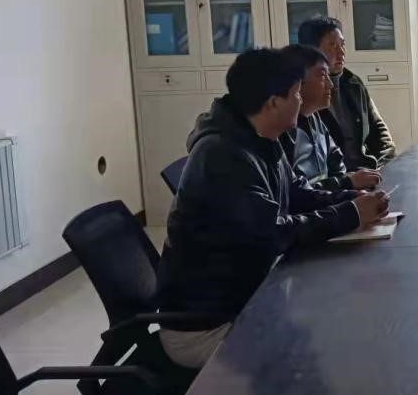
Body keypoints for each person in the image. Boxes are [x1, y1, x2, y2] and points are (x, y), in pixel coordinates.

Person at [156, 48, 390, 368]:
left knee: (339, 316)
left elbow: (296, 194)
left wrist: (351, 200)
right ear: (273, 103)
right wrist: (351, 214)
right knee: (330, 341)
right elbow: (273, 233)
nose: (300, 101)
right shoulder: (221, 156)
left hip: (245, 297)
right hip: (207, 325)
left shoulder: (260, 136)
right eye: (296, 94)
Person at [278, 43, 382, 192]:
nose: (330, 84)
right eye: (322, 76)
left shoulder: (315, 119)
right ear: (297, 82)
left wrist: (350, 187)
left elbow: (338, 168)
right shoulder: (281, 130)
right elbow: (294, 194)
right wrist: (346, 183)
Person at [296, 16, 396, 168]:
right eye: (332, 46)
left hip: (368, 170)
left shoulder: (353, 83)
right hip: (338, 177)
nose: (341, 52)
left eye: (342, 44)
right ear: (312, 52)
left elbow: (381, 133)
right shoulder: (304, 93)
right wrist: (349, 179)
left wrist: (382, 168)